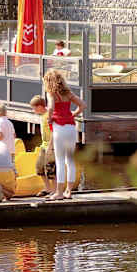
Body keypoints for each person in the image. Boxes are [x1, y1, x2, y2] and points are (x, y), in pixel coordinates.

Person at [43, 69, 86, 200]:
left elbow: (51, 107)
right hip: (71, 127)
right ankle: (69, 191)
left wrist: (50, 118)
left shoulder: (51, 93)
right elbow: (83, 105)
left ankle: (59, 193)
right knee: (70, 160)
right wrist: (73, 114)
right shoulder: (68, 93)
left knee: (60, 161)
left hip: (59, 128)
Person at [30, 95, 55, 198]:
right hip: (43, 145)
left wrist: (51, 145)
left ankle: (54, 190)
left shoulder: (48, 116)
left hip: (51, 146)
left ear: (40, 106)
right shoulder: (42, 116)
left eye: (34, 108)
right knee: (39, 167)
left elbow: (54, 131)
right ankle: (48, 188)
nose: (33, 110)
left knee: (51, 169)